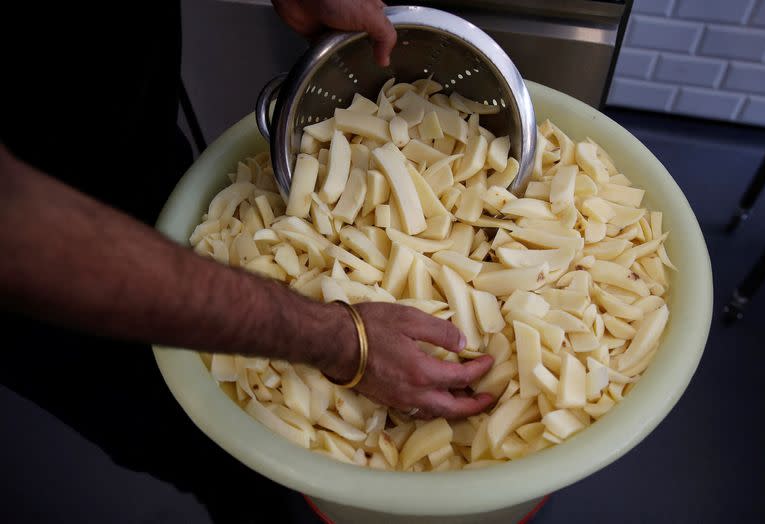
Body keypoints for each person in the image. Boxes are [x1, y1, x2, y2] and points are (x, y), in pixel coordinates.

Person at [1, 1, 494, 521]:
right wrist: (342, 339)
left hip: (118, 129)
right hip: (48, 291)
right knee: (209, 449)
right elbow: (17, 232)